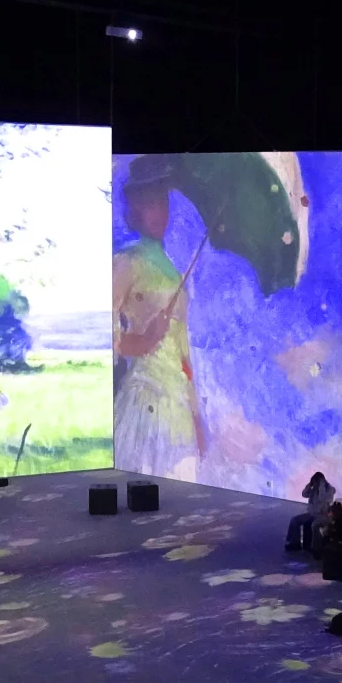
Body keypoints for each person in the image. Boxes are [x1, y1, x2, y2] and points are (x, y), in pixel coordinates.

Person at [113, 155, 204, 483]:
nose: (160, 212)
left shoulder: (175, 273)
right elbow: (104, 337)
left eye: (163, 202)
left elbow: (183, 354)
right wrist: (145, 340)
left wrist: (195, 415)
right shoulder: (126, 262)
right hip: (144, 402)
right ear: (136, 209)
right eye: (151, 203)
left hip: (177, 411)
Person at [288, 472, 336, 551]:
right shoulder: (313, 489)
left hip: (322, 515)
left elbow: (322, 499)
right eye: (313, 482)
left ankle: (315, 548)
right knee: (294, 520)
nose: (315, 484)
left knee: (314, 525)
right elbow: (304, 494)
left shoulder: (329, 490)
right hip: (311, 513)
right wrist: (309, 485)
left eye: (316, 482)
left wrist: (321, 486)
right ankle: (294, 543)